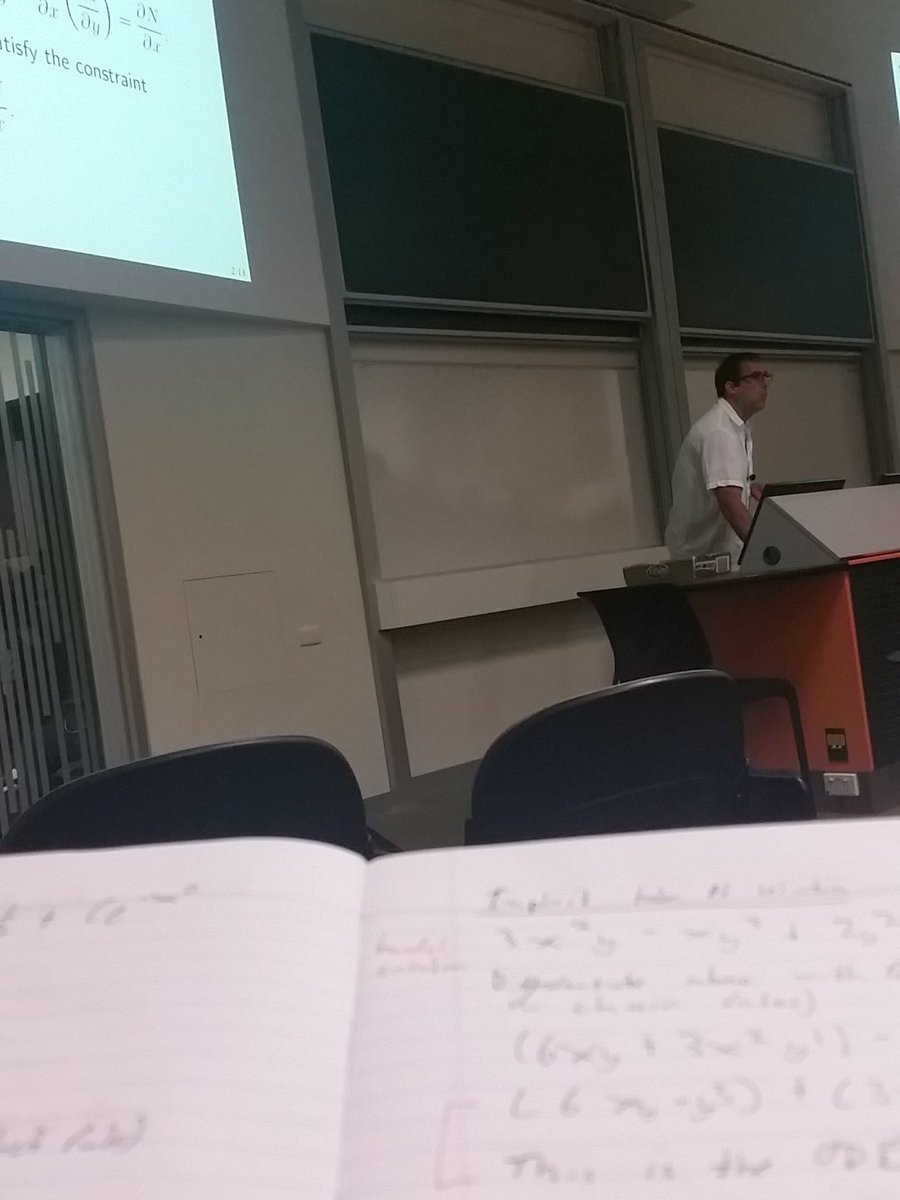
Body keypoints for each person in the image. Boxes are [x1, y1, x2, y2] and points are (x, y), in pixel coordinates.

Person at [665, 353, 771, 561]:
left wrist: (747, 487)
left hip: (714, 557)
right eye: (756, 377)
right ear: (731, 387)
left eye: (766, 377)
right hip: (703, 560)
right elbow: (730, 504)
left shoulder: (737, 428)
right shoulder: (720, 431)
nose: (764, 384)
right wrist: (768, 554)